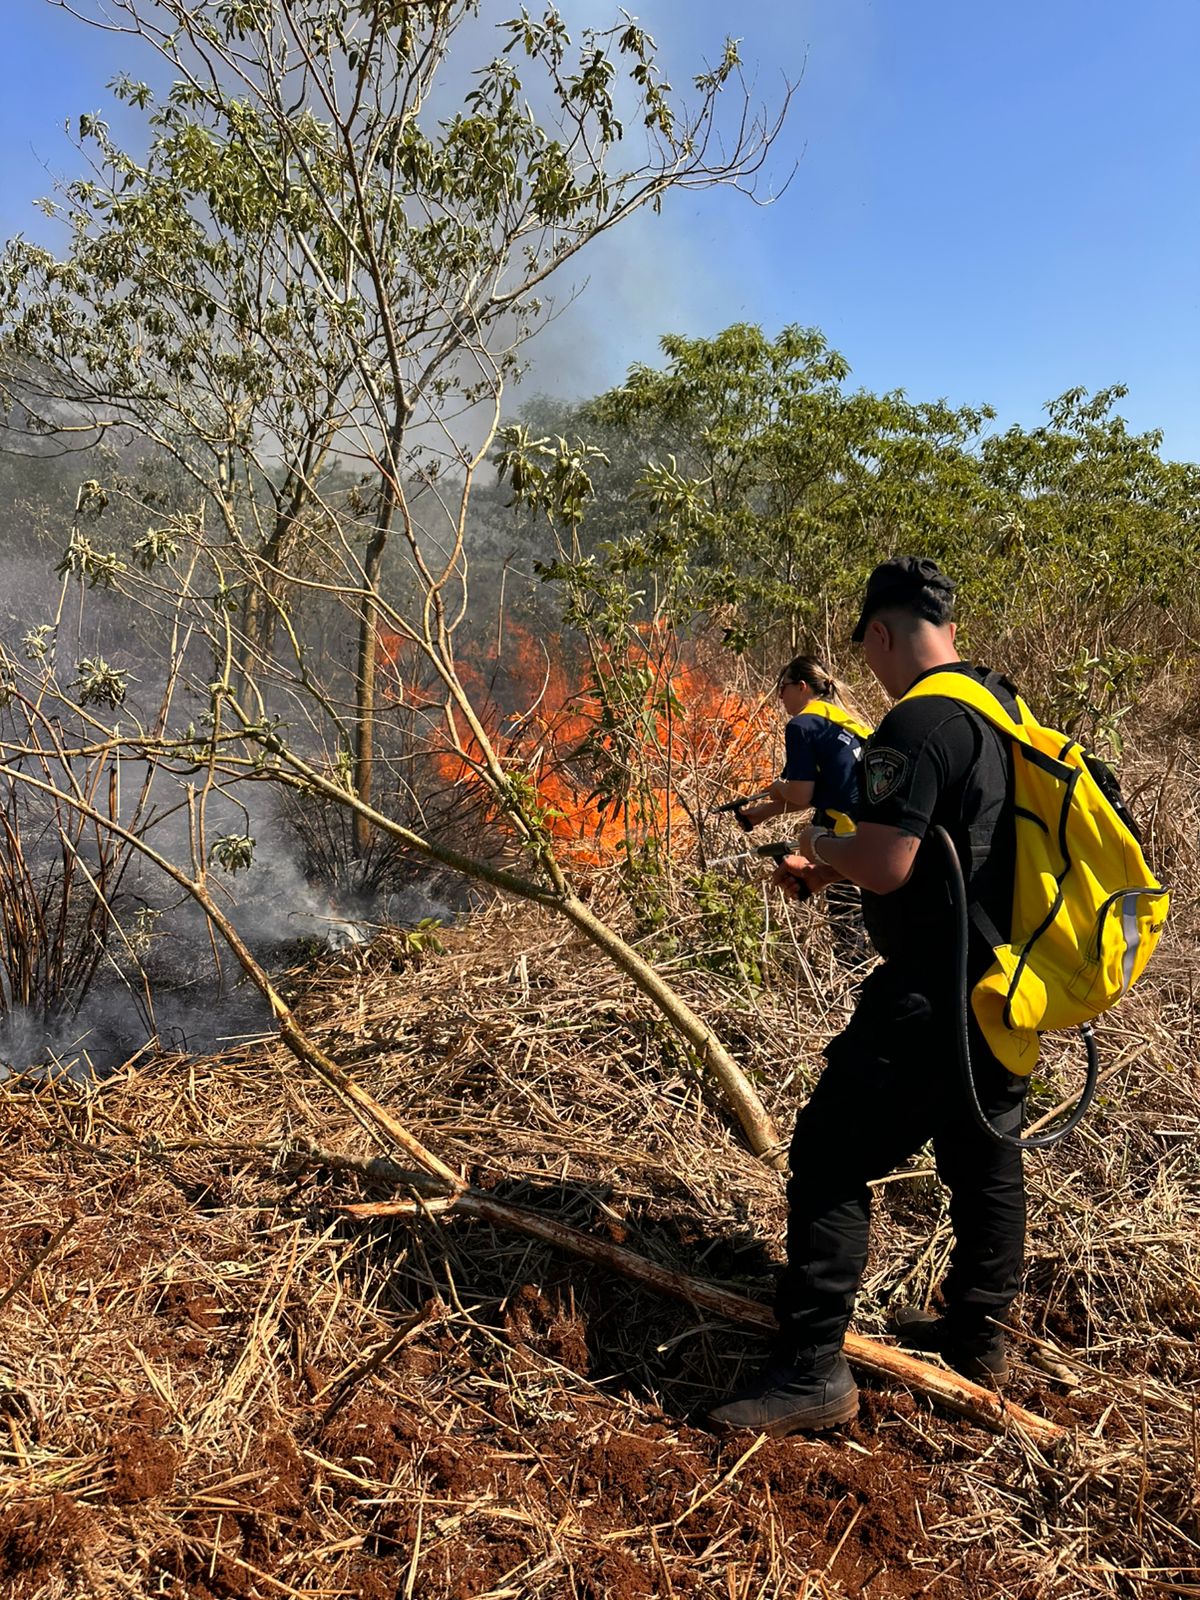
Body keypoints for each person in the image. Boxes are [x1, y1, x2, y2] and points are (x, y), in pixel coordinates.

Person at [709, 556, 1026, 1437]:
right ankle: (979, 1336)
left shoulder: (919, 720)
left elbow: (887, 861)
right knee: (984, 1155)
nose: (872, 671)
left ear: (881, 633)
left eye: (872, 650)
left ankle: (812, 1371)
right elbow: (944, 852)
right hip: (1003, 985)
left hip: (929, 993)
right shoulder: (999, 707)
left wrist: (818, 838)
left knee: (829, 1156)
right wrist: (838, 865)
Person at [735, 655, 872, 960]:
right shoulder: (848, 722)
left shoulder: (802, 725)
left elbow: (799, 791)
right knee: (872, 925)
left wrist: (776, 788)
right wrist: (763, 812)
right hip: (877, 835)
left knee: (849, 931)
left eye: (781, 688)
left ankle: (852, 989)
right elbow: (825, 791)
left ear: (801, 687)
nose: (779, 696)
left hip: (842, 837)